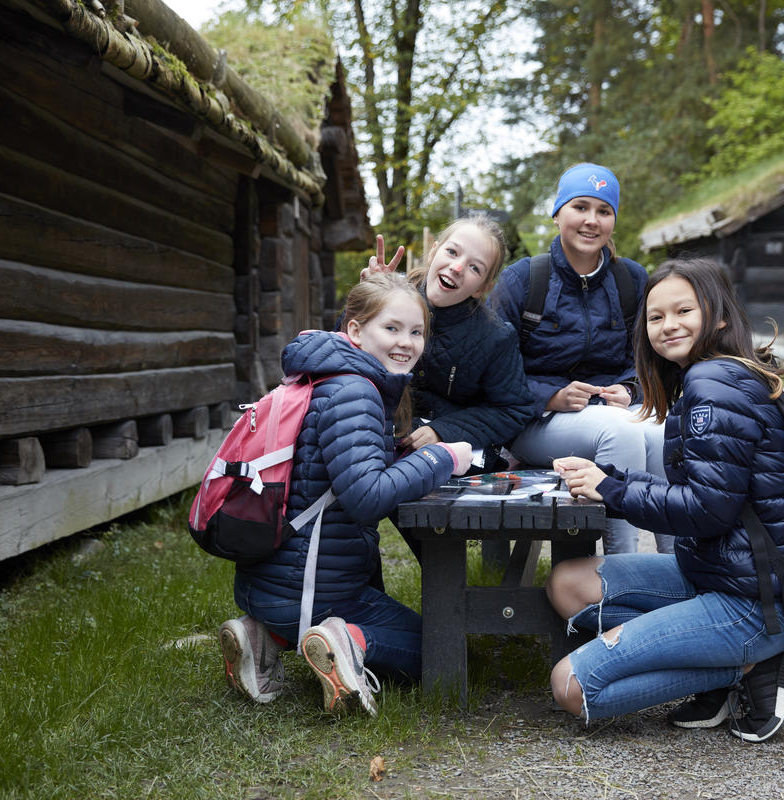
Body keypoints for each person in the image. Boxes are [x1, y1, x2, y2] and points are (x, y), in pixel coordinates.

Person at [544, 257, 784, 743]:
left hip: (753, 601)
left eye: (683, 311)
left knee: (572, 687)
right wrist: (608, 478)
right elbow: (714, 492)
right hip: (718, 573)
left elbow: (708, 509)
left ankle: (746, 665)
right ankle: (718, 656)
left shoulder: (714, 387)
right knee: (568, 584)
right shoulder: (707, 378)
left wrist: (611, 489)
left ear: (719, 315)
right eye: (656, 316)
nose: (668, 326)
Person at [217, 272, 474, 716]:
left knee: (425, 632)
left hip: (270, 581)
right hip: (313, 591)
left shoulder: (320, 376)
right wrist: (443, 459)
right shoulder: (355, 391)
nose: (406, 342)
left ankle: (264, 637)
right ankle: (346, 640)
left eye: (416, 332)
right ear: (355, 330)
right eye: (391, 328)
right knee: (442, 644)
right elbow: (366, 497)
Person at [488, 163, 671, 554]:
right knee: (620, 432)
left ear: (613, 222)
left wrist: (630, 388)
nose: (592, 221)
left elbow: (650, 354)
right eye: (580, 207)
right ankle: (622, 567)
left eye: (604, 211)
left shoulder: (632, 280)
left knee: (661, 433)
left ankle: (681, 568)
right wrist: (550, 396)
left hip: (615, 409)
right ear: (558, 214)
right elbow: (495, 370)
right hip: (536, 422)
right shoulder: (524, 280)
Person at [362, 214, 534, 462]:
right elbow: (346, 354)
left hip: (442, 456)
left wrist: (443, 431)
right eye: (452, 252)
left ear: (482, 288)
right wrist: (367, 304)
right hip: (372, 432)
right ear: (433, 253)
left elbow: (514, 410)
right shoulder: (389, 296)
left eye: (475, 267)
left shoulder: (495, 337)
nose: (457, 267)